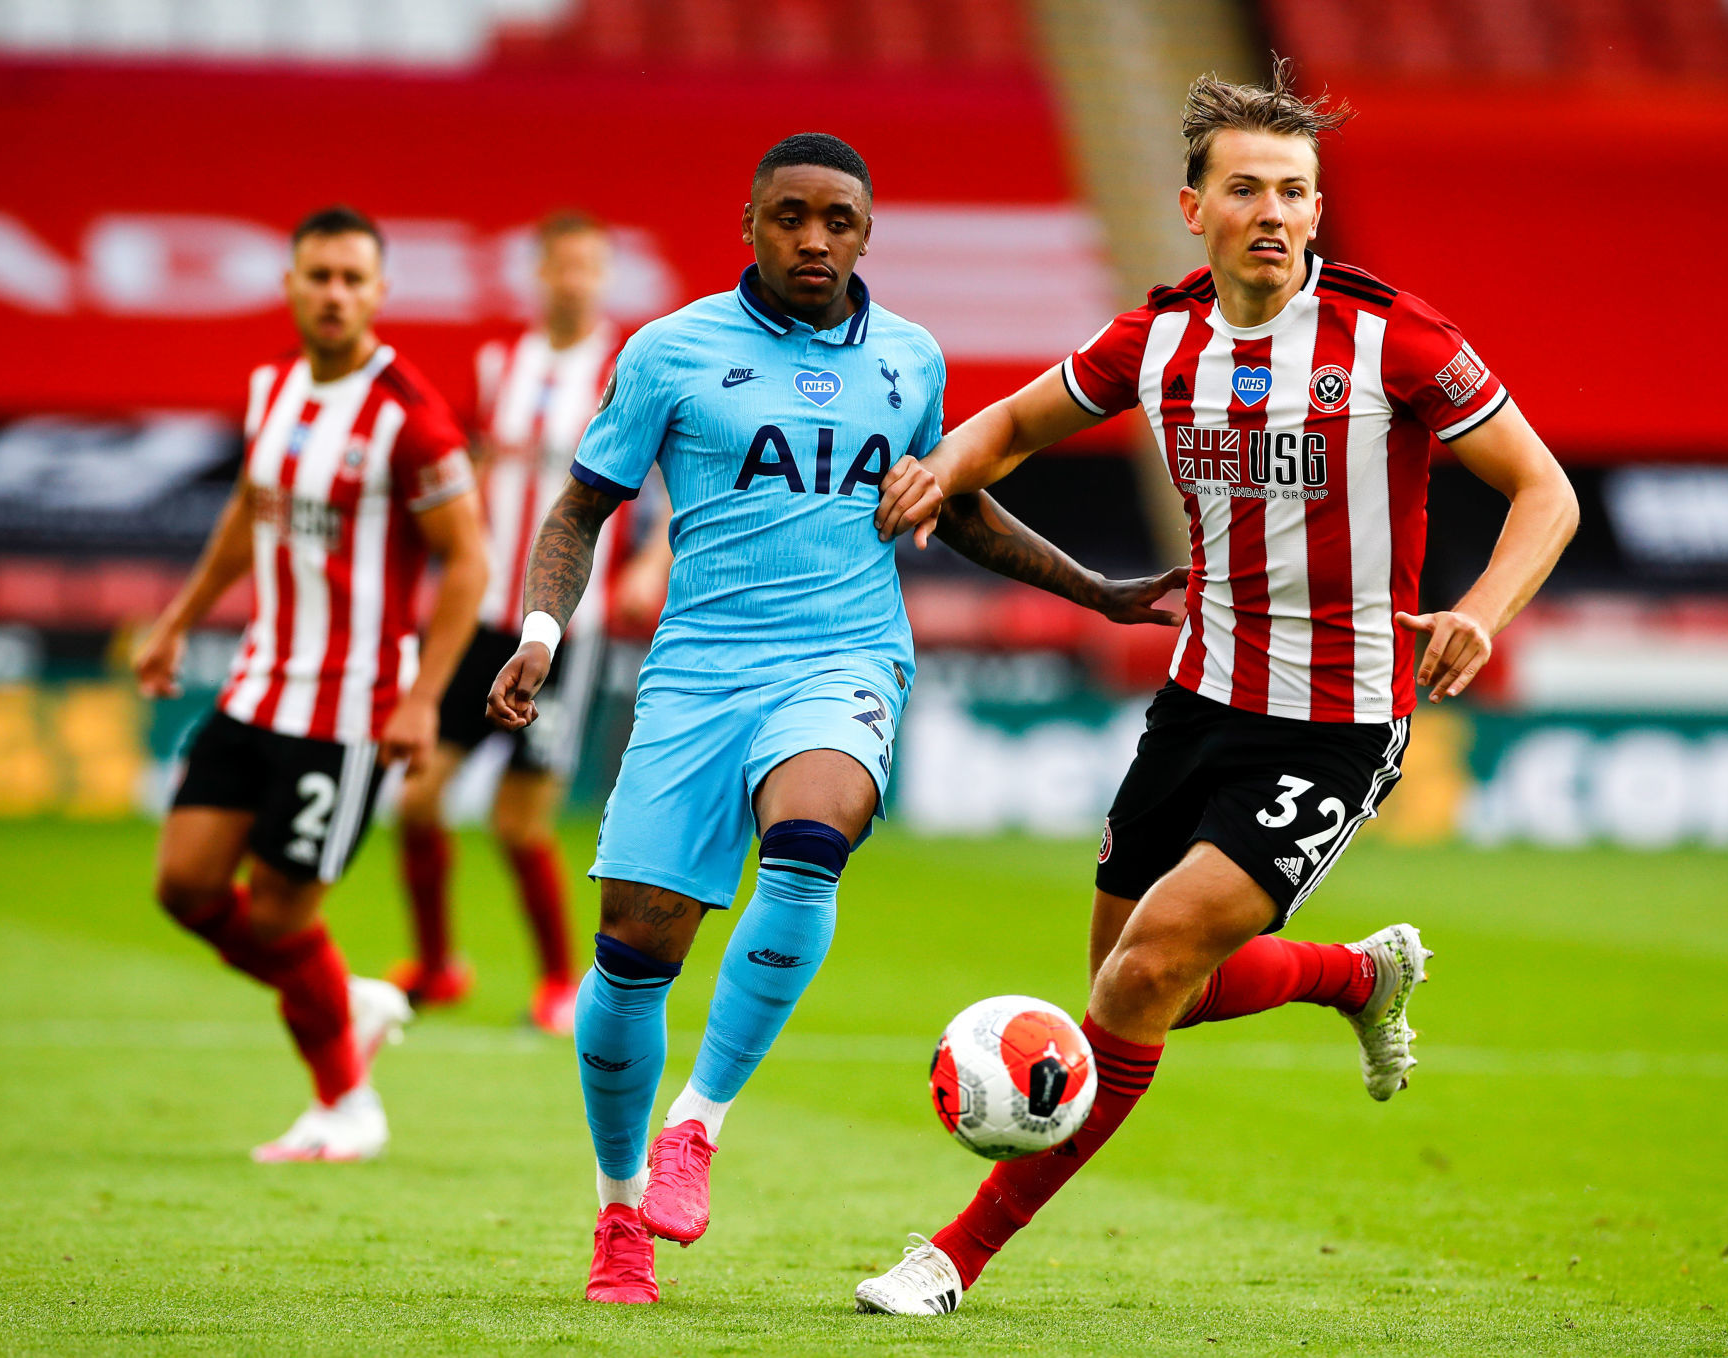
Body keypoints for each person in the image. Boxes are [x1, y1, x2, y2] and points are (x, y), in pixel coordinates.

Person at [855, 63, 1581, 1313]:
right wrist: (939, 467)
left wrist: (1477, 610)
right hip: (1200, 702)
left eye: (1296, 190)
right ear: (1193, 206)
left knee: (1137, 984)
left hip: (1339, 720)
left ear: (1317, 208)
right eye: (1246, 188)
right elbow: (1018, 425)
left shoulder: (1394, 336)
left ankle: (950, 1256)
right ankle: (1355, 975)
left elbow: (1546, 492)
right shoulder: (1158, 337)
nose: (1276, 212)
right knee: (1146, 994)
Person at [482, 132, 1184, 1304]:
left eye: (839, 219)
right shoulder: (669, 353)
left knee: (813, 835)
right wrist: (542, 636)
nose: (815, 238)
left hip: (844, 657)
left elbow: (951, 507)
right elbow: (577, 512)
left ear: (867, 231)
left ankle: (697, 1125)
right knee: (633, 953)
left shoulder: (910, 359)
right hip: (697, 675)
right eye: (791, 216)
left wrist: (1101, 590)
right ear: (748, 225)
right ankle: (619, 1212)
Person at [133, 205, 489, 1162]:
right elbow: (250, 517)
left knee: (284, 915)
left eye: (352, 279)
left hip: (348, 710)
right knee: (184, 885)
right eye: (318, 276)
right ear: (289, 284)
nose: (334, 294)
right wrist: (175, 622)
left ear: (378, 293)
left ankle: (346, 1107)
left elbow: (469, 562)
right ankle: (349, 998)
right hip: (255, 687)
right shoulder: (272, 390)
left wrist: (422, 698)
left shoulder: (408, 418)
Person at [388, 211, 672, 1035]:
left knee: (518, 821)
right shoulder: (496, 364)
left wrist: (649, 566)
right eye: (560, 266)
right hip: (481, 617)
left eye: (588, 266)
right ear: (538, 273)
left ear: (604, 276)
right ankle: (438, 964)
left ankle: (556, 982)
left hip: (565, 630)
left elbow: (667, 485)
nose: (572, 280)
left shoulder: (628, 369)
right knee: (415, 801)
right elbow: (471, 465)